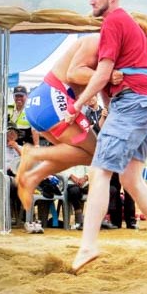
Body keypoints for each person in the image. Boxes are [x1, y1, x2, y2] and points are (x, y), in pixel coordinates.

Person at [65, 0, 147, 273]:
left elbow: (99, 74)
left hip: (134, 103)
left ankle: (89, 244)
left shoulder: (114, 22)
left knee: (99, 171)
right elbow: (108, 80)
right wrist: (104, 106)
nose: (90, 0)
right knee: (130, 179)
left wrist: (76, 105)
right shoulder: (127, 26)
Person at [16, 34, 105, 211]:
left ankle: (32, 178)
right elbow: (74, 72)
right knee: (96, 152)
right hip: (53, 99)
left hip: (48, 101)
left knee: (81, 154)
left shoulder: (104, 49)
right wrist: (106, 75)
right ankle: (33, 154)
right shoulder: (95, 41)